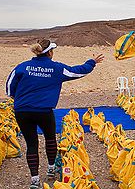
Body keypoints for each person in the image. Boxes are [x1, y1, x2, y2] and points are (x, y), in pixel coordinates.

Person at [6, 39, 104, 189]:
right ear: (50, 52)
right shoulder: (56, 68)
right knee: (50, 139)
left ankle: (34, 180)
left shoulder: (22, 67)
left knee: (31, 144)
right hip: (44, 111)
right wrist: (92, 62)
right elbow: (77, 71)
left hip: (22, 111)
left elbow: (9, 86)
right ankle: (51, 169)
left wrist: (17, 98)